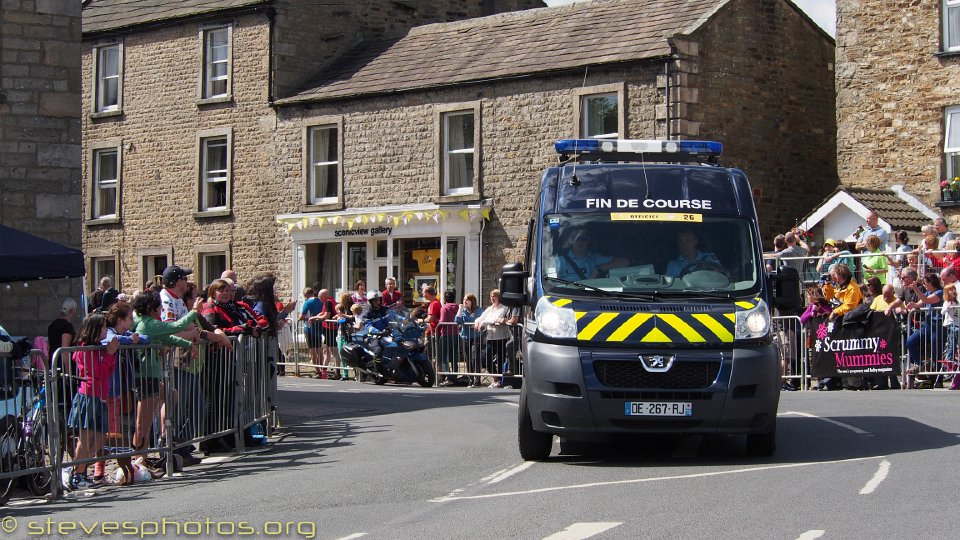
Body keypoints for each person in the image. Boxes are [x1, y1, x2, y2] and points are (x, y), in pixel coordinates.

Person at [63, 314, 118, 489]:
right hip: (88, 396)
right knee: (86, 439)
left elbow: (108, 371)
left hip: (100, 395)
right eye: (102, 328)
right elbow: (96, 373)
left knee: (101, 438)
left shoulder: (97, 349)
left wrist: (111, 355)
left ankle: (79, 468)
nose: (105, 331)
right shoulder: (84, 349)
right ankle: (78, 473)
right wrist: (109, 354)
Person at [905, 272, 945, 381]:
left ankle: (938, 379)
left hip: (937, 327)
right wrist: (913, 305)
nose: (924, 285)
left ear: (931, 283)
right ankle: (919, 364)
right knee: (910, 341)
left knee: (936, 353)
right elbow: (920, 303)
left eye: (925, 283)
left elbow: (927, 300)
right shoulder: (927, 293)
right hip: (927, 326)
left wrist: (916, 289)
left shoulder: (940, 292)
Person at [472, 289, 513, 388]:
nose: (492, 298)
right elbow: (482, 317)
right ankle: (495, 377)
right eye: (491, 296)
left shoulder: (503, 308)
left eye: (494, 296)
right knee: (486, 358)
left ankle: (499, 380)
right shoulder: (490, 309)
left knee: (500, 359)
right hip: (490, 337)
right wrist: (477, 322)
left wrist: (483, 323)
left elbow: (494, 319)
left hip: (501, 337)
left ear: (499, 297)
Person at [555, 227, 629, 281]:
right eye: (575, 238)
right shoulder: (560, 261)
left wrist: (599, 269)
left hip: (594, 295)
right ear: (569, 241)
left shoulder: (596, 258)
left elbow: (624, 262)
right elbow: (551, 284)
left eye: (583, 238)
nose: (579, 242)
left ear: (589, 240)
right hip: (568, 295)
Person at [308, 289, 339, 379]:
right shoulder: (328, 301)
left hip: (331, 329)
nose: (319, 299)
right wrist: (317, 316)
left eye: (320, 297)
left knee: (334, 351)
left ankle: (337, 372)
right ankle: (324, 372)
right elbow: (323, 312)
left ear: (324, 296)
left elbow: (326, 316)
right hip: (328, 329)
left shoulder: (328, 302)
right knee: (327, 351)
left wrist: (315, 318)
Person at [455, 293, 484, 387]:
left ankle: (477, 379)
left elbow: (481, 320)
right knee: (468, 358)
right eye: (464, 300)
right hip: (466, 337)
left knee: (474, 357)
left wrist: (474, 324)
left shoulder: (479, 310)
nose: (464, 301)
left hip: (476, 336)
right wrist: (459, 309)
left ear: (472, 301)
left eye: (467, 300)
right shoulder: (463, 311)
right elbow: (458, 321)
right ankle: (470, 379)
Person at [436, 290, 461, 387]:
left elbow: (442, 321)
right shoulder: (458, 307)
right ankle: (454, 377)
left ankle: (449, 377)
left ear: (445, 299)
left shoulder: (444, 308)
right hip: (456, 334)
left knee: (442, 357)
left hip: (446, 335)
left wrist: (437, 324)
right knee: (453, 357)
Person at [299, 287, 324, 376]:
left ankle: (317, 371)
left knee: (312, 350)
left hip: (309, 328)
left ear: (306, 295)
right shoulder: (321, 301)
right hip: (319, 327)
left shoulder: (307, 302)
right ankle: (322, 369)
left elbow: (302, 316)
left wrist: (303, 317)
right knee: (319, 349)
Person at [942, 283, 960, 390]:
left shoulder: (957, 301)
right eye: (950, 290)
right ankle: (950, 357)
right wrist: (948, 307)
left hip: (957, 323)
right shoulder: (947, 302)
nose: (952, 291)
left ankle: (954, 355)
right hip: (950, 324)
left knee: (956, 335)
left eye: (953, 289)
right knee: (952, 338)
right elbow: (942, 311)